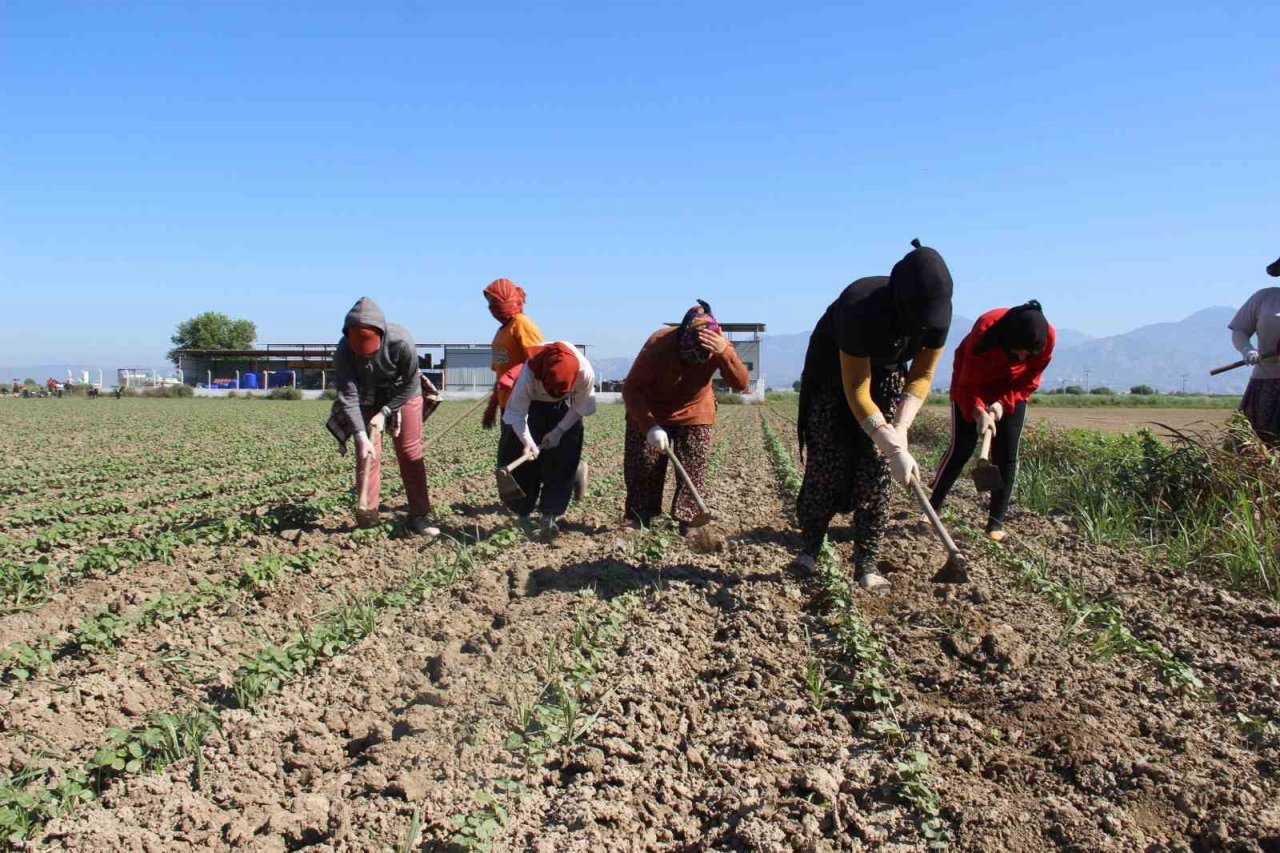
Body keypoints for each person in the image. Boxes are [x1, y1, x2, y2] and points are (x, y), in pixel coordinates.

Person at [793, 239, 953, 593]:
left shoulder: (937, 316)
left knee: (877, 473)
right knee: (827, 463)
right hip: (834, 378)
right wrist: (887, 439)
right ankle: (810, 549)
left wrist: (901, 428)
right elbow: (857, 388)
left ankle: (866, 563)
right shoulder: (860, 306)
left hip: (887, 375)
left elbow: (922, 376)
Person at [928, 301, 1055, 541]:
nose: (1022, 357)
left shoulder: (1047, 338)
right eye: (1019, 350)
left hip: (1011, 390)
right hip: (971, 385)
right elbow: (967, 382)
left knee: (1006, 454)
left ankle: (995, 523)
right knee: (961, 448)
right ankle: (932, 507)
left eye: (1028, 354)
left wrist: (1000, 405)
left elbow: (1029, 380)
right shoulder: (987, 328)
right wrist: (978, 412)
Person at [621, 300, 749, 531]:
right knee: (642, 465)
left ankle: (688, 519)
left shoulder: (718, 347)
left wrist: (726, 353)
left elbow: (740, 383)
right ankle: (640, 517)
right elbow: (631, 389)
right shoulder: (659, 344)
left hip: (695, 410)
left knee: (693, 465)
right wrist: (649, 426)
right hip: (652, 408)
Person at [326, 297, 438, 535]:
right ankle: (368, 514)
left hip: (403, 392)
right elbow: (348, 393)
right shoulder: (344, 350)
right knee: (366, 454)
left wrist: (385, 411)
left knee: (409, 452)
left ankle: (420, 515)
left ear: (381, 334)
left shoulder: (401, 342)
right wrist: (360, 434)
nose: (366, 357)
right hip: (367, 394)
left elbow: (411, 384)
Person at [500, 341, 597, 536]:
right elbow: (517, 413)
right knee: (522, 461)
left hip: (565, 409)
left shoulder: (584, 371)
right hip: (531, 407)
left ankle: (550, 515)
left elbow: (579, 407)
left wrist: (559, 431)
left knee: (562, 460)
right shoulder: (530, 370)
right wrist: (527, 442)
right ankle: (523, 514)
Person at [1229, 260, 1280, 446]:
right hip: (1266, 384)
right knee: (1252, 449)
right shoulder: (1264, 298)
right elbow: (1239, 330)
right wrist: (1247, 349)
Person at [482, 278, 544, 430]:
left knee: (518, 451)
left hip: (526, 404)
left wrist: (512, 374)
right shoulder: (501, 333)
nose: (491, 308)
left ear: (507, 300)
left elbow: (539, 358)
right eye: (490, 303)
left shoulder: (522, 324)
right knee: (508, 452)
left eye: (494, 302)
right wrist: (492, 406)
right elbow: (501, 374)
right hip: (507, 404)